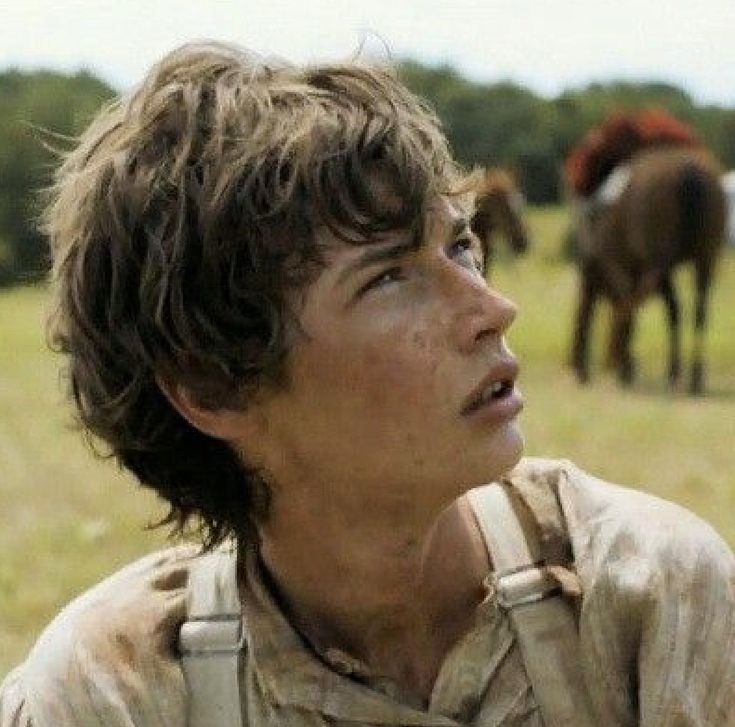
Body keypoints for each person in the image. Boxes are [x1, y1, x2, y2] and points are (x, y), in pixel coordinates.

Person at [1, 41, 733, 727]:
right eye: (388, 277)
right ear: (213, 386)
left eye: (460, 245)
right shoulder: (112, 691)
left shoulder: (652, 595)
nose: (492, 309)